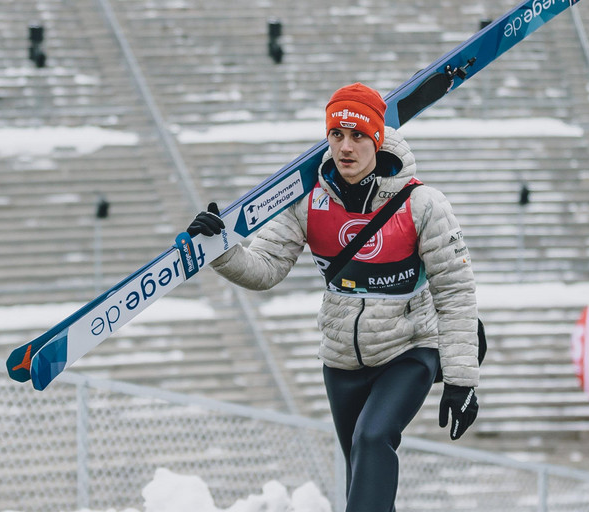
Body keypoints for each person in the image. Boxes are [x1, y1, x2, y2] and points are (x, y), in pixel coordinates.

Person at [186, 82, 480, 512]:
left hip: (410, 349)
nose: (346, 147)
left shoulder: (424, 205)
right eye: (337, 134)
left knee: (373, 437)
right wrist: (221, 249)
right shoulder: (307, 201)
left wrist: (461, 379)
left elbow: (455, 293)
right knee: (363, 473)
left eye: (358, 135)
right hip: (342, 360)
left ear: (378, 139)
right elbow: (266, 268)